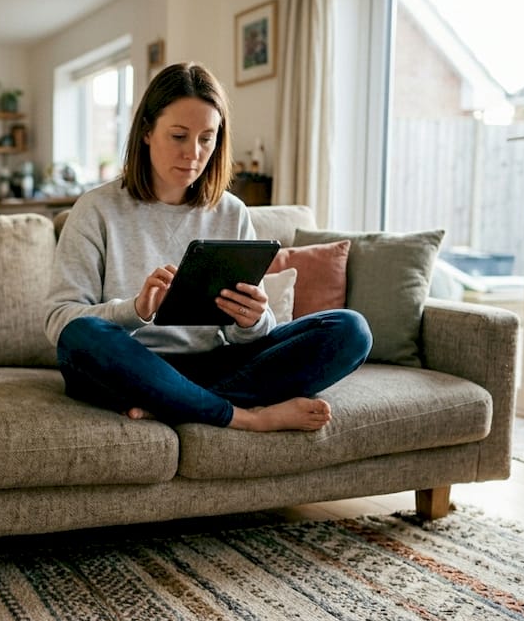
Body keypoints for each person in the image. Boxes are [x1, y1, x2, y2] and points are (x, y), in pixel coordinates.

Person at [44, 62, 372, 432]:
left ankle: (174, 403)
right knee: (80, 336)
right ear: (148, 131)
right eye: (179, 136)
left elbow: (247, 336)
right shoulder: (96, 209)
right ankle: (243, 416)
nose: (194, 153)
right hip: (127, 364)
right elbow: (59, 320)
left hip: (210, 362)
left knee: (349, 329)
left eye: (206, 138)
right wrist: (134, 310)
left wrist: (252, 319)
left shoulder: (231, 212)